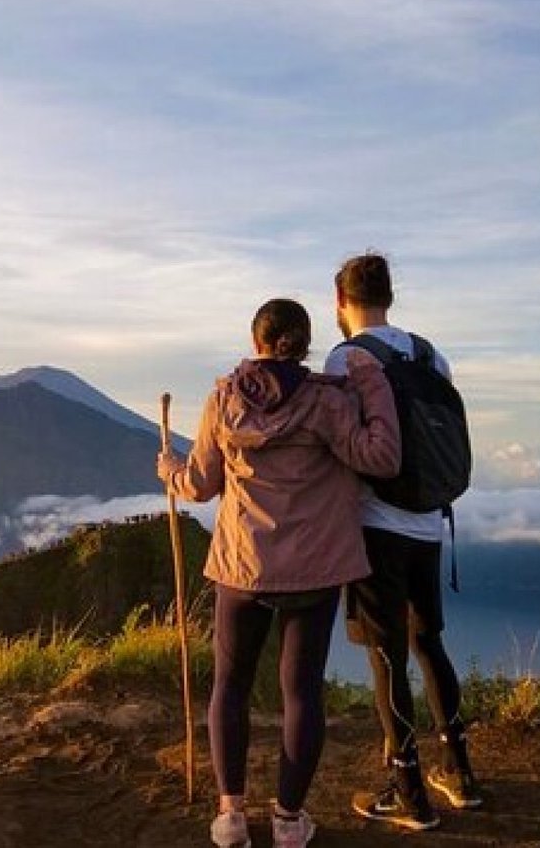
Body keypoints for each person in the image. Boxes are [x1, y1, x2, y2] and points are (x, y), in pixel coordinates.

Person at [158, 298, 401, 848]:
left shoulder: (225, 399)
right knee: (301, 694)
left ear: (256, 341)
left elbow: (200, 485)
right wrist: (373, 383)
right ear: (306, 342)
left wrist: (170, 471)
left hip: (243, 569)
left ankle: (231, 816)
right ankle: (290, 820)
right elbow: (381, 458)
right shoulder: (328, 402)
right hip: (314, 574)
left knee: (231, 686)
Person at [323, 252, 483, 831]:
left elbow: (340, 439)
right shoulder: (430, 353)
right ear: (390, 295)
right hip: (429, 520)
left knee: (385, 656)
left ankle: (408, 788)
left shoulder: (346, 357)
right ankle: (459, 773)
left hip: (377, 525)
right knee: (428, 643)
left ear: (341, 302)